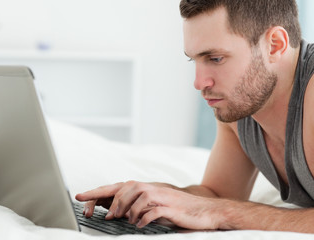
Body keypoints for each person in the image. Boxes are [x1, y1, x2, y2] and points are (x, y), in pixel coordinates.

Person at [76, 0, 314, 233]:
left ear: (274, 45)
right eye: (195, 59)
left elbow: (218, 206)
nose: (200, 83)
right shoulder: (239, 106)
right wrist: (158, 197)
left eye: (216, 58)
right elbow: (218, 194)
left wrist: (221, 212)